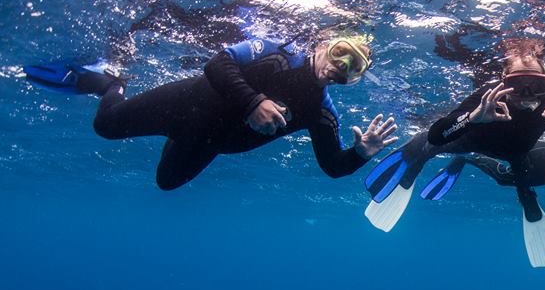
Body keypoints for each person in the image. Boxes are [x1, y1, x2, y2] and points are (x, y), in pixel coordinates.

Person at [24, 34, 397, 190]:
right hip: (183, 103)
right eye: (340, 54)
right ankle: (110, 82)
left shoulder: (321, 113)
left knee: (166, 183)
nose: (341, 67)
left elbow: (332, 166)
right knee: (105, 126)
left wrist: (361, 154)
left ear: (353, 80)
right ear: (321, 47)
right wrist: (254, 102)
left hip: (206, 139)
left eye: (354, 68)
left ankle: (170, 134)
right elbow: (217, 64)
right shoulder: (276, 55)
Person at [362, 39, 545, 267]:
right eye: (516, 85)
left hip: (516, 153)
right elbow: (438, 134)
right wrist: (472, 118)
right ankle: (411, 170)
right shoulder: (489, 95)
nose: (526, 94)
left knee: (524, 184)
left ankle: (527, 202)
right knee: (427, 145)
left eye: (536, 85)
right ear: (503, 80)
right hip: (470, 142)